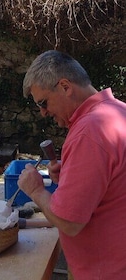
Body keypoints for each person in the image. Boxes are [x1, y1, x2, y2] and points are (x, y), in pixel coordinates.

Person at [18, 50, 126, 279]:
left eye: (43, 102)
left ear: (65, 86)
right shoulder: (119, 111)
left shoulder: (90, 131)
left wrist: (36, 190)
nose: (43, 113)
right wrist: (69, 179)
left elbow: (69, 222)